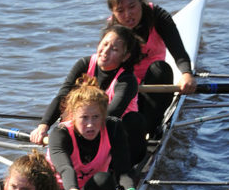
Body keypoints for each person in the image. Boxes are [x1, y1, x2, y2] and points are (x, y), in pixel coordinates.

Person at [30, 24, 146, 163]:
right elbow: (62, 96)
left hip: (113, 136)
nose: (105, 51)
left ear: (125, 56)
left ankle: (117, 170)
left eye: (114, 49)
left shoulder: (127, 80)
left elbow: (112, 113)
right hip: (83, 131)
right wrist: (44, 126)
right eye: (105, 44)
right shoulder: (84, 64)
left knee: (133, 119)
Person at [47, 80, 143, 190]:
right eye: (84, 118)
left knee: (105, 180)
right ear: (72, 115)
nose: (90, 125)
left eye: (96, 117)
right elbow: (66, 168)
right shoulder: (60, 134)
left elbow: (123, 168)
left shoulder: (113, 128)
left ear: (104, 115)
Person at [106, 0, 197, 135]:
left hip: (155, 87)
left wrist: (187, 74)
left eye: (132, 7)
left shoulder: (158, 17)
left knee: (160, 69)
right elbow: (104, 69)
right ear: (113, 12)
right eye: (120, 11)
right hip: (127, 88)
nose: (128, 15)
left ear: (141, 1)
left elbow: (179, 52)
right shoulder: (112, 31)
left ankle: (150, 128)